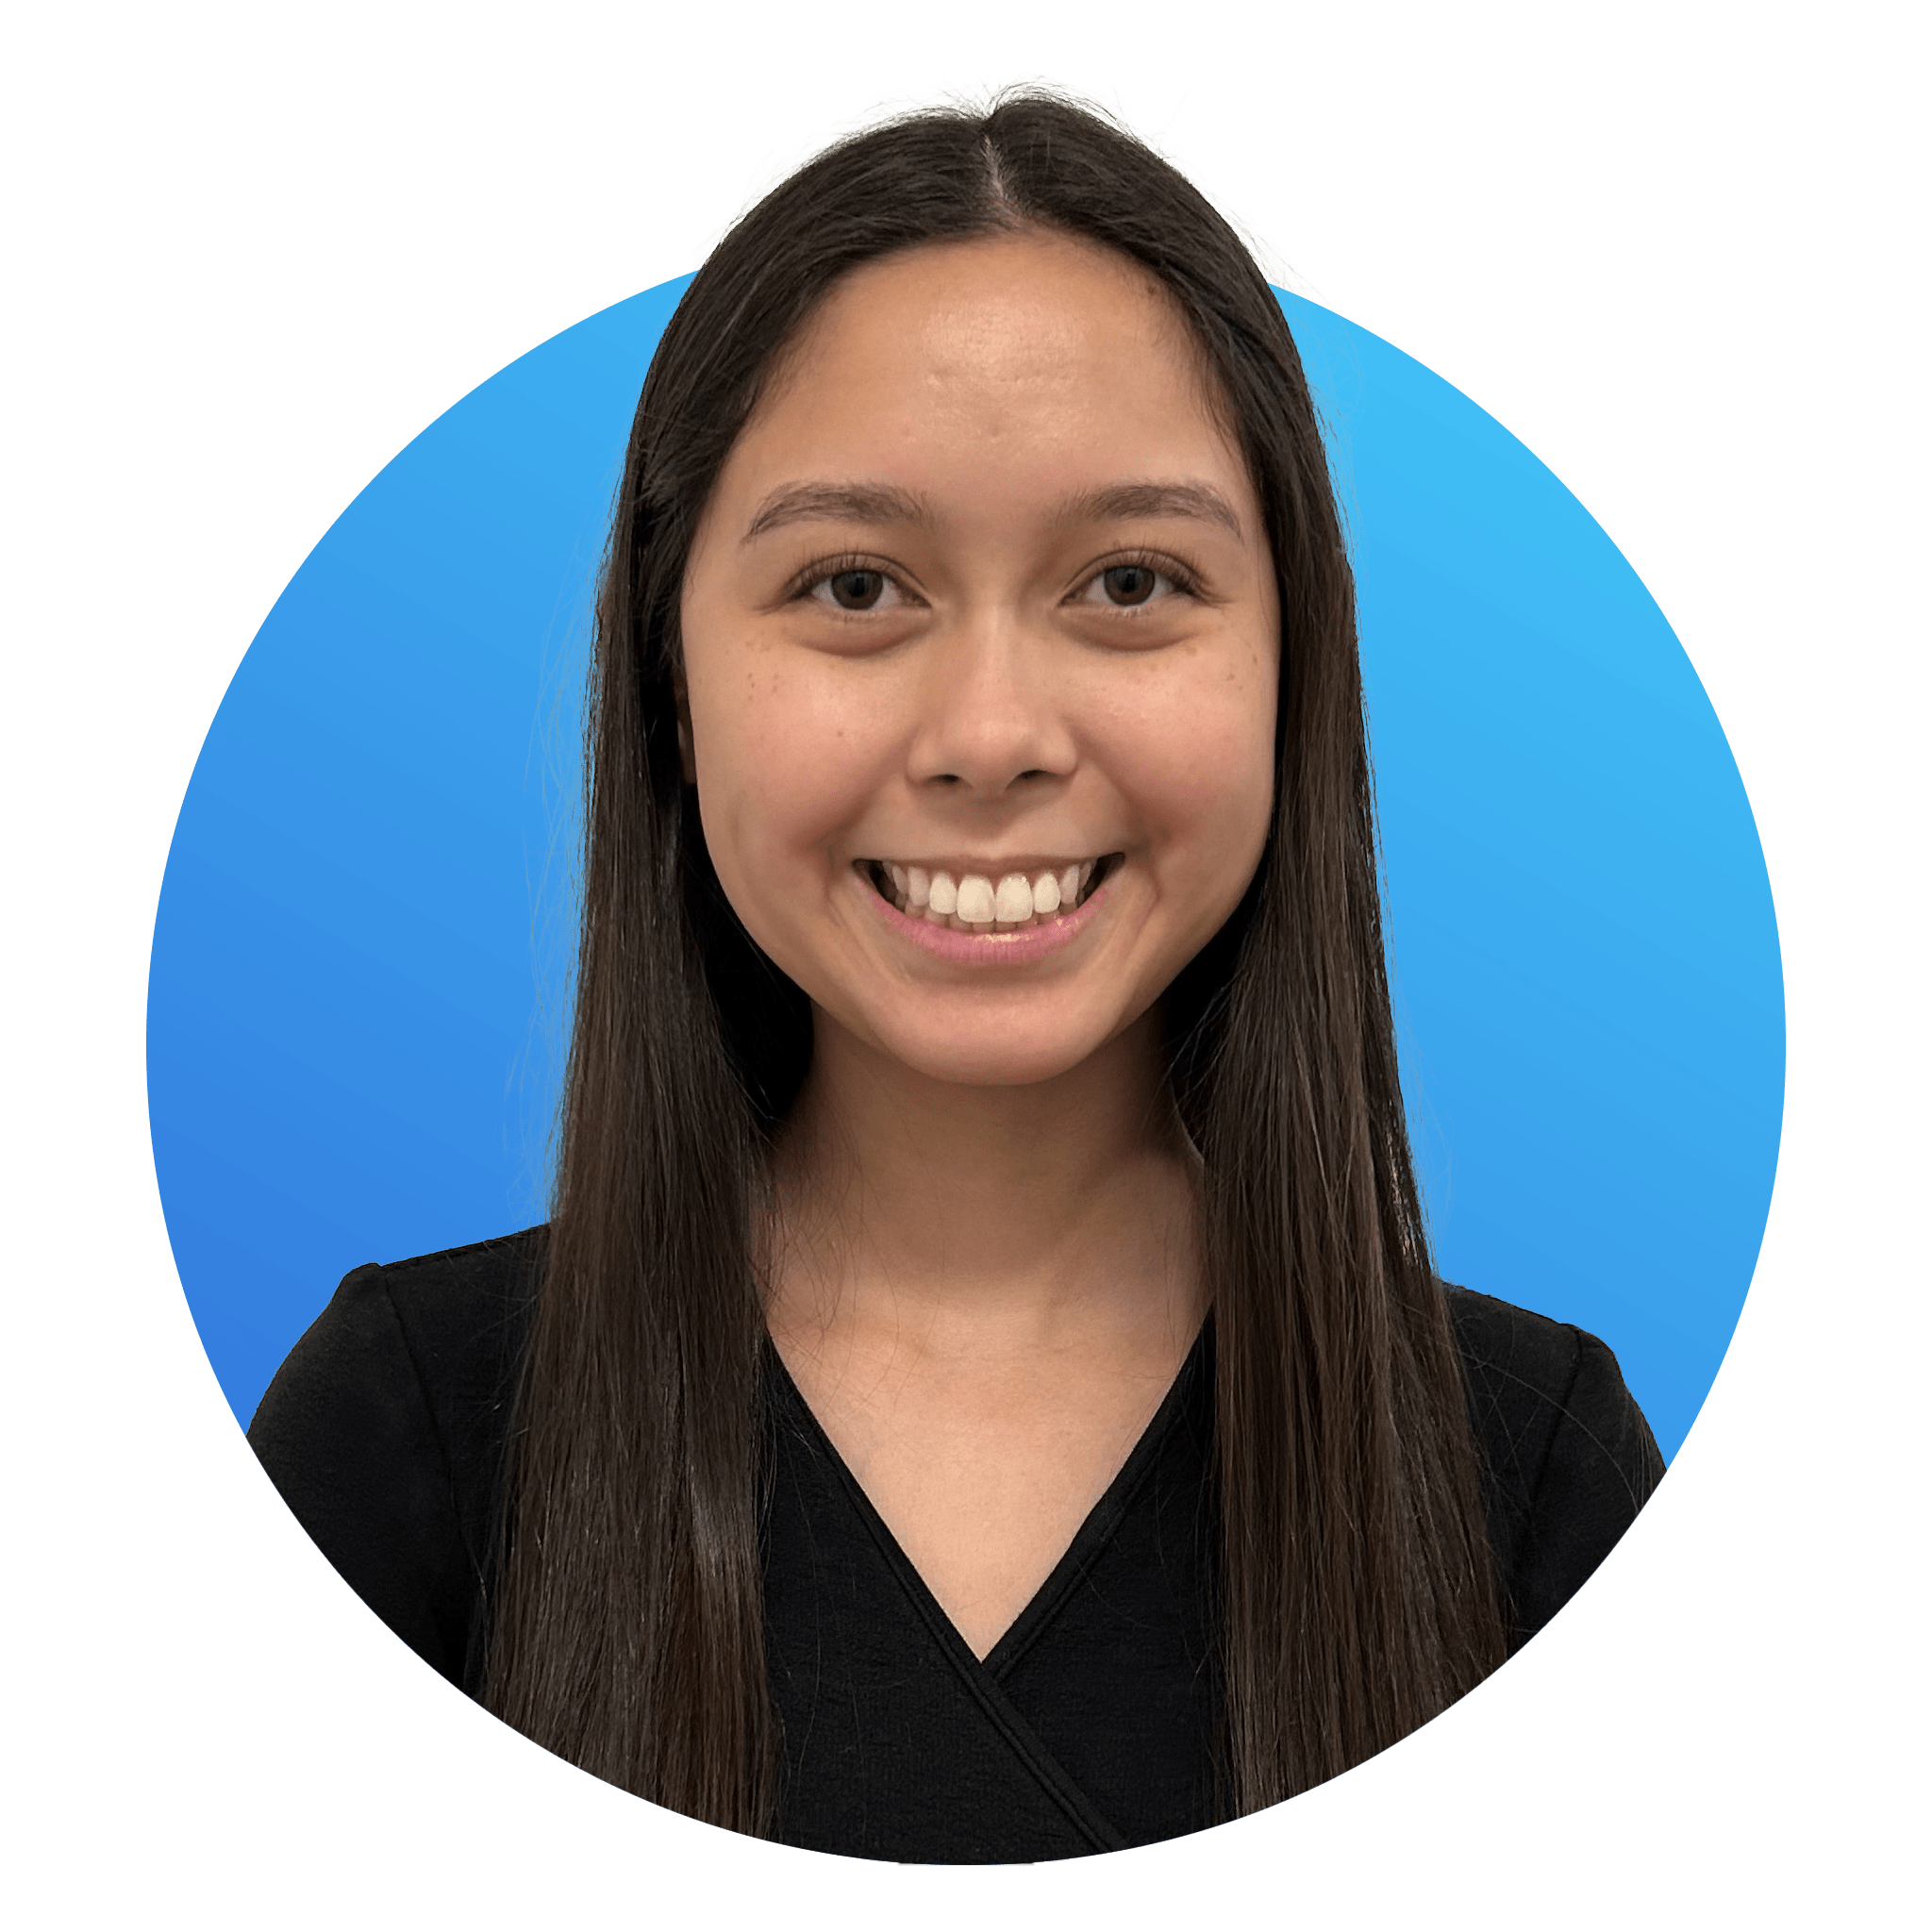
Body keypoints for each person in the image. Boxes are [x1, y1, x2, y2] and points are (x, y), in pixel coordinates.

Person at [245, 71, 1664, 1863]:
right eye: (855, 588)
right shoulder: (410, 1446)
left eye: (1131, 584)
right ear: (671, 682)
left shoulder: (1530, 1480)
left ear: (1294, 671)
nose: (991, 737)